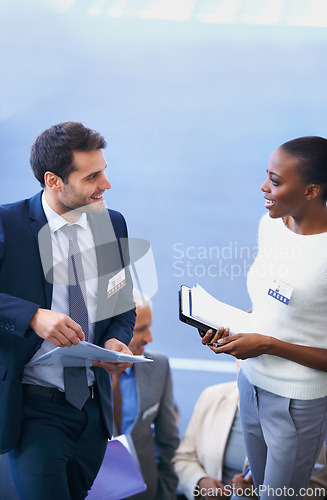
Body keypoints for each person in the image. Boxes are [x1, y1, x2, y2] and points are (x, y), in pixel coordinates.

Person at [0, 122, 136, 500]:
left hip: (92, 413)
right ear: (53, 180)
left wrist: (116, 340)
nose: (106, 183)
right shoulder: (7, 225)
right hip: (34, 410)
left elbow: (122, 305)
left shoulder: (112, 223)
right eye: (92, 176)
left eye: (104, 170)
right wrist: (32, 315)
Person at [201, 136, 327, 498]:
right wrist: (232, 329)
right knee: (252, 490)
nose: (263, 186)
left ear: (311, 191)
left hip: (298, 403)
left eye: (275, 180)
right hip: (250, 385)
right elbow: (271, 305)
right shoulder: (270, 226)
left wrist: (268, 345)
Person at [173, 380, 327, 500]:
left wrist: (264, 494)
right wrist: (200, 482)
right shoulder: (212, 395)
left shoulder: (304, 411)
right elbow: (184, 458)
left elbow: (317, 487)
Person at [111, 291, 180, 499]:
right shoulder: (80, 372)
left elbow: (168, 440)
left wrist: (166, 491)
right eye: (141, 329)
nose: (149, 338)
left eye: (149, 327)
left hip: (146, 492)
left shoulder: (159, 367)